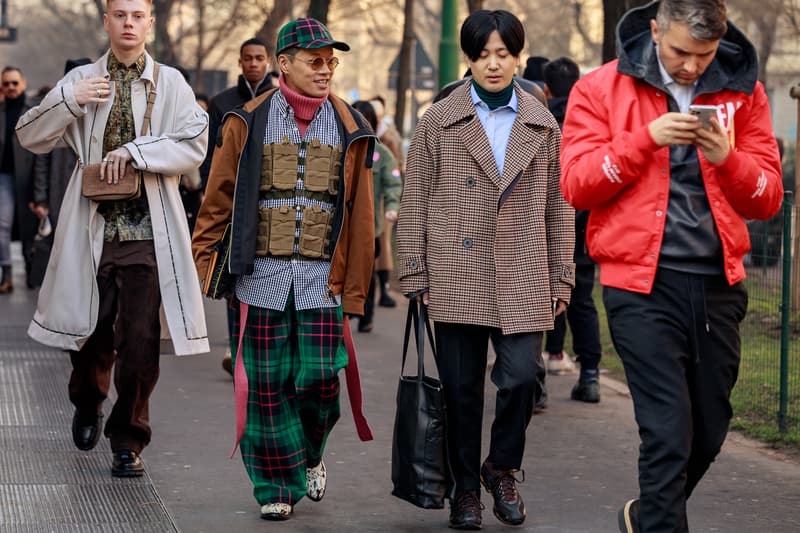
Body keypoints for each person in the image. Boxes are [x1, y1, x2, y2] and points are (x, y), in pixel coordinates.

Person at [559, 1, 783, 531]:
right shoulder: (600, 89)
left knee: (707, 428)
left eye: (704, 55)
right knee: (666, 432)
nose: (691, 66)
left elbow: (767, 198)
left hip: (717, 282)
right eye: (681, 51)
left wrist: (727, 157)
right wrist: (645, 139)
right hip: (639, 285)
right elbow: (576, 184)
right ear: (656, 29)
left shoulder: (743, 90)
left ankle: (649, 514)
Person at [15, 0, 210, 478]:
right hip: (92, 227)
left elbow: (195, 141)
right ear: (106, 21)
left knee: (142, 343)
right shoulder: (80, 79)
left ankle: (128, 438)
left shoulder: (171, 83)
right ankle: (87, 402)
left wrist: (135, 151)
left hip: (147, 229)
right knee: (88, 335)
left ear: (149, 22)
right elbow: (29, 135)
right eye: (119, 15)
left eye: (136, 15)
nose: (128, 23)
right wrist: (71, 100)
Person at [397, 9, 575, 529]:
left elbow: (558, 207)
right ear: (469, 59)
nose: (494, 64)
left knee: (521, 379)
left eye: (504, 53)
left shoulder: (544, 123)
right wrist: (416, 274)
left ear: (518, 56)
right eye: (483, 55)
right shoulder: (437, 121)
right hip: (457, 272)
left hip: (523, 272)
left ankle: (500, 467)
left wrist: (561, 275)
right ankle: (463, 491)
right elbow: (415, 203)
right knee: (461, 391)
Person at [192, 18, 374, 521]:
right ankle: (275, 484)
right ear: (284, 64)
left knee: (319, 379)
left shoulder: (352, 126)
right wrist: (206, 260)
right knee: (266, 386)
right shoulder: (244, 121)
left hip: (322, 280)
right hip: (260, 277)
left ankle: (311, 452)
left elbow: (360, 215)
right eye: (314, 61)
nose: (325, 70)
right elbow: (218, 196)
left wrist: (359, 287)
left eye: (330, 62)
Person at [200, 37, 274, 377]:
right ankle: (237, 348)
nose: (255, 63)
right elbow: (211, 156)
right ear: (240, 61)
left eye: (260, 58)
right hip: (232, 204)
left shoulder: (280, 101)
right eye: (249, 58)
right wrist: (209, 195)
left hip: (270, 203)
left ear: (270, 62)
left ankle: (260, 349)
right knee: (234, 280)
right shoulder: (223, 102)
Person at [538, 56, 603, 403]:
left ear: (546, 88)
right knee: (582, 301)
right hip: (584, 224)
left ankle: (538, 382)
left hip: (547, 225)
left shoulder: (540, 119)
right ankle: (590, 375)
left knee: (537, 300)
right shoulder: (587, 119)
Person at [27, 58, 94, 289]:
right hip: (60, 190)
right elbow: (42, 160)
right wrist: (41, 199)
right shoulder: (56, 109)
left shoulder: (97, 107)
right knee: (61, 241)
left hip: (88, 189)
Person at [351, 100, 401, 332]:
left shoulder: (381, 153)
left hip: (371, 227)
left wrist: (392, 207)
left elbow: (393, 184)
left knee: (367, 275)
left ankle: (365, 316)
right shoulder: (341, 148)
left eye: (365, 120)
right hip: (343, 226)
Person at [0, 66, 42, 293]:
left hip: (28, 175)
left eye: (14, 83)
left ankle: (30, 270)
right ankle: (6, 272)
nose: (10, 87)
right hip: (5, 176)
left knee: (29, 227)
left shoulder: (34, 108)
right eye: (6, 83)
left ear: (23, 84)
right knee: (2, 224)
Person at [367, 94, 403, 308]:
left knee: (381, 249)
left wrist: (392, 206)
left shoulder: (385, 141)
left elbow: (393, 175)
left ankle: (382, 292)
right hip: (370, 209)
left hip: (381, 206)